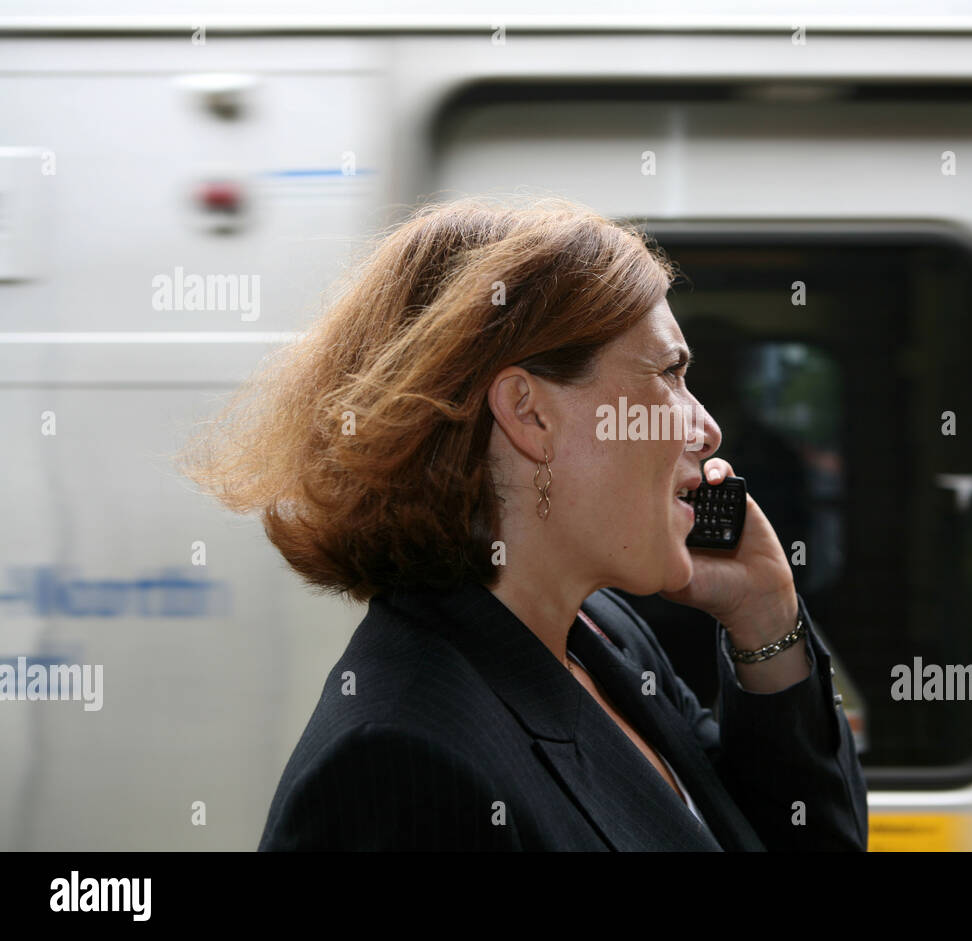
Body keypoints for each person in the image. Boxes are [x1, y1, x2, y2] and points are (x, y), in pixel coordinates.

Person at [177, 194, 868, 851]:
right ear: (530, 413)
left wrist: (765, 617)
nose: (708, 428)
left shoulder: (601, 634)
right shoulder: (400, 764)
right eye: (669, 374)